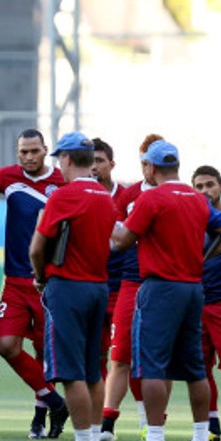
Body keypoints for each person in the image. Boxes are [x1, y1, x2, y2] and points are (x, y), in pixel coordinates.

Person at [112, 139, 221, 441]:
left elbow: (123, 241)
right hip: (194, 288)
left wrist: (109, 223)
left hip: (160, 288)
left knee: (151, 365)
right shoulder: (197, 199)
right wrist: (203, 259)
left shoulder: (151, 199)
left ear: (151, 167)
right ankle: (200, 439)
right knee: (195, 368)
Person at [0, 129, 68, 438]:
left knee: (44, 353)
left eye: (34, 151)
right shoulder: (10, 177)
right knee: (7, 345)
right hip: (14, 280)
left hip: (48, 281)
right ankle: (55, 401)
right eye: (23, 152)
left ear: (45, 150)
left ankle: (41, 417)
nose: (28, 157)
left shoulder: (62, 182)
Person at [28, 132, 117, 441]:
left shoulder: (64, 196)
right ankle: (92, 439)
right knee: (93, 370)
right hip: (98, 288)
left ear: (67, 159)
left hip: (68, 287)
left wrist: (39, 277)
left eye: (59, 161)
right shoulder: (106, 197)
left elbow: (37, 247)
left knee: (70, 371)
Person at [101, 133, 164, 441]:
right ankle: (107, 425)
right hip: (131, 280)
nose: (147, 165)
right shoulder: (129, 196)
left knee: (155, 357)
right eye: (144, 159)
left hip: (165, 283)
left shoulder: (179, 194)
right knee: (121, 354)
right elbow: (114, 235)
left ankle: (152, 425)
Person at [191, 165, 221, 441]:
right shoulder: (190, 220)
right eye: (199, 187)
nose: (205, 191)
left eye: (209, 185)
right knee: (198, 368)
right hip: (195, 304)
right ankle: (211, 427)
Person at [91, 138, 124, 386]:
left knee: (126, 355)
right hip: (89, 285)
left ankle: (148, 419)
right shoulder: (78, 195)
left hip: (122, 287)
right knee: (94, 354)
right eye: (89, 161)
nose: (94, 166)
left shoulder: (127, 197)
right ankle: (98, 416)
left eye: (99, 161)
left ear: (111, 164)